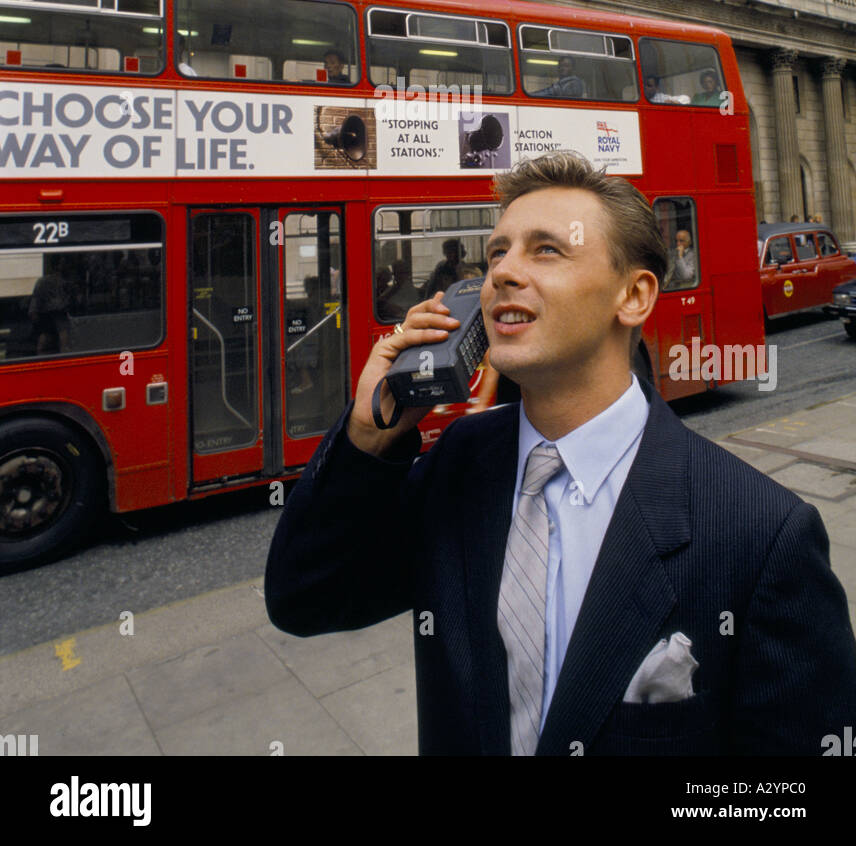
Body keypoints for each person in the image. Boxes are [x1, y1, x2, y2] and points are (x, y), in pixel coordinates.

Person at [266, 151, 856, 755]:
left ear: (633, 295)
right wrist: (369, 435)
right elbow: (304, 600)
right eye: (498, 252)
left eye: (546, 249)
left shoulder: (761, 531)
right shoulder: (457, 466)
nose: (501, 273)